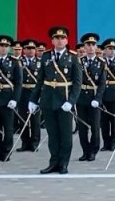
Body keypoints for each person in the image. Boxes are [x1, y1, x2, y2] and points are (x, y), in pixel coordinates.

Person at [30, 26, 83, 174]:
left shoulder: (73, 57)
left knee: (65, 135)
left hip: (64, 100)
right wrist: (33, 99)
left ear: (67, 40)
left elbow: (77, 83)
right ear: (52, 40)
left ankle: (63, 163)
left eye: (63, 38)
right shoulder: (46, 56)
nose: (60, 41)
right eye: (57, 38)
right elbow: (40, 80)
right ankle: (53, 162)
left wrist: (71, 102)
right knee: (52, 135)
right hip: (48, 99)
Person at [76, 33, 104, 161]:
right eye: (88, 45)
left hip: (94, 97)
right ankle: (85, 150)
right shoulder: (78, 62)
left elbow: (103, 84)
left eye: (93, 45)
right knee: (82, 127)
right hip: (81, 98)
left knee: (95, 126)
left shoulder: (101, 63)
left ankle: (93, 150)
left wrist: (98, 99)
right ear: (84, 47)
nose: (91, 47)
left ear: (96, 47)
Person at [17, 39, 42, 152]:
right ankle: (25, 143)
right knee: (22, 119)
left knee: (35, 120)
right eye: (28, 48)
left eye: (33, 48)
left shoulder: (40, 62)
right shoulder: (18, 62)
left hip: (34, 92)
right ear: (24, 50)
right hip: (22, 93)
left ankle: (35, 143)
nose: (31, 51)